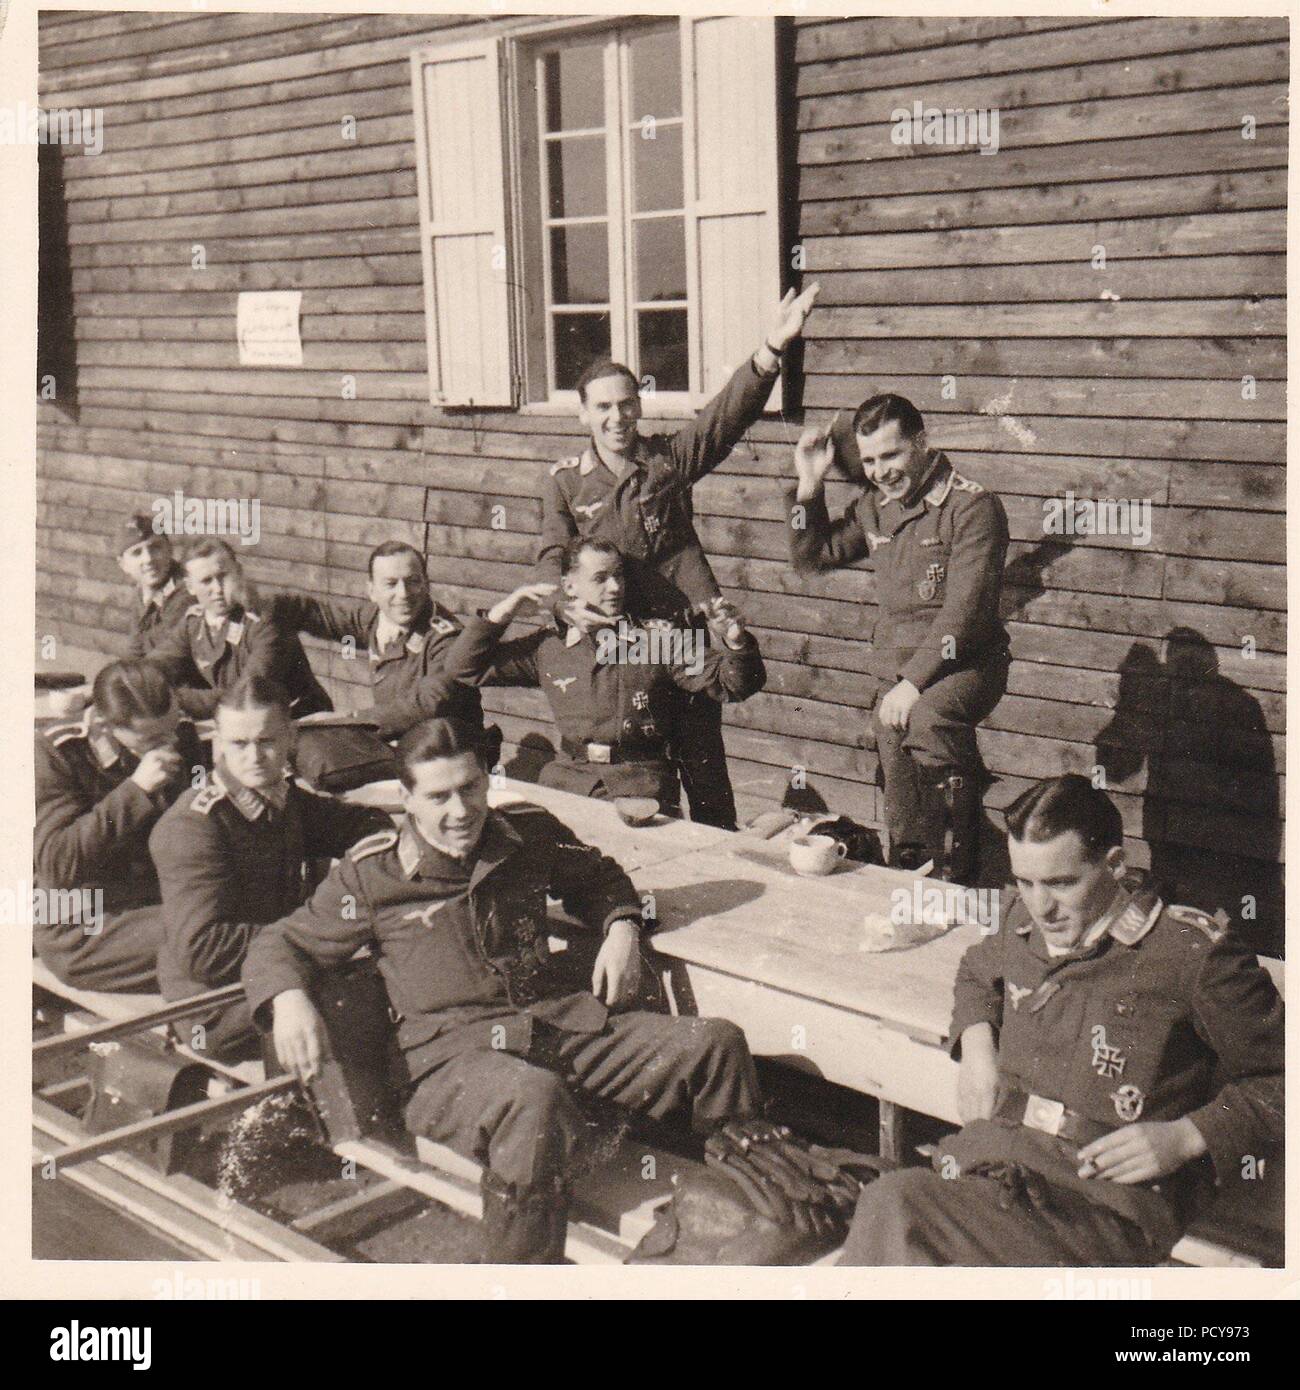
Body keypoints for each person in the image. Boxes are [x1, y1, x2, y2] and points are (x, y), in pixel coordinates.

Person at [242, 716, 763, 1262]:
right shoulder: (373, 875)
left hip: (556, 1028)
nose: (459, 811)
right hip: (448, 1065)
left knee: (715, 1043)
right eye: (438, 796)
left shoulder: (526, 835)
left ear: (487, 780)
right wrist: (288, 999)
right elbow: (279, 945)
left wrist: (622, 926)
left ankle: (754, 1218)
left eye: (470, 788)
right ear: (407, 798)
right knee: (532, 1101)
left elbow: (600, 877)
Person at [839, 774, 1284, 1266]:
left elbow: (1282, 1077)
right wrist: (978, 1044)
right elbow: (978, 969)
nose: (1041, 904)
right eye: (1024, 881)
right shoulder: (1021, 920)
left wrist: (1186, 1136)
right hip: (997, 1165)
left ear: (1113, 864)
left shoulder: (1189, 954)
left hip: (1099, 1204)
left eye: (1060, 883)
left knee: (896, 1207)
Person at [538, 285, 820, 828]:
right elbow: (552, 557)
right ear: (583, 415)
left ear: (639, 405)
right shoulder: (564, 483)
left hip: (678, 634)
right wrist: (562, 604)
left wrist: (771, 350)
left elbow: (724, 419)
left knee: (704, 770)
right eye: (603, 407)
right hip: (614, 642)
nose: (617, 417)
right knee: (627, 766)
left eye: (626, 404)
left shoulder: (667, 461)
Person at [788, 393, 1009, 880]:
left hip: (964, 663)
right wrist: (809, 484)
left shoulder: (972, 506)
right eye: (869, 460)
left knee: (927, 722)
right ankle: (911, 873)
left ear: (922, 444)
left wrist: (912, 684)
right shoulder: (876, 508)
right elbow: (811, 557)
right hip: (898, 674)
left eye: (891, 455)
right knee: (900, 791)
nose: (880, 471)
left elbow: (964, 615)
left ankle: (963, 873)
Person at [148, 676, 389, 1055]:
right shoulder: (196, 825)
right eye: (238, 744)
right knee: (362, 1001)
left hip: (280, 968)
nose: (254, 758)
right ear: (218, 744)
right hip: (215, 1003)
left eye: (267, 741)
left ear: (291, 737)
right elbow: (203, 951)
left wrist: (367, 876)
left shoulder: (278, 796)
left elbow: (365, 824)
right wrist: (310, 937)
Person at [445, 539, 765, 810]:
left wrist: (735, 641)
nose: (615, 588)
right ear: (569, 585)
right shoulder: (550, 645)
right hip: (567, 779)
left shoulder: (654, 640)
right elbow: (464, 668)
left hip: (639, 787)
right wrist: (503, 612)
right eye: (600, 578)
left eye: (619, 576)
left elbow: (732, 684)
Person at [34, 660, 206, 992]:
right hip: (84, 921)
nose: (171, 743)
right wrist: (136, 791)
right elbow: (57, 864)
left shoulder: (177, 732)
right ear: (102, 723)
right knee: (215, 942)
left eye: (172, 726)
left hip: (161, 902)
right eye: (154, 738)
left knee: (236, 933)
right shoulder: (57, 752)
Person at [268, 540, 485, 740]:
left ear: (426, 585)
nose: (403, 594)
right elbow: (319, 616)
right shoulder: (375, 618)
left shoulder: (447, 638)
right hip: (404, 745)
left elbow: (430, 704)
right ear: (372, 591)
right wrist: (260, 604)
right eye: (391, 584)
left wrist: (349, 719)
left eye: (413, 582)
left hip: (450, 754)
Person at [145, 538, 332, 720]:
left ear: (239, 572)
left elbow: (246, 693)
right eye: (206, 581)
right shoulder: (193, 623)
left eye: (223, 576)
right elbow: (154, 665)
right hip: (245, 725)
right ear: (190, 587)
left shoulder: (263, 619)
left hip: (299, 722)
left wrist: (173, 700)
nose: (217, 588)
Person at [116, 512, 191, 659]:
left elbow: (165, 657)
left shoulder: (186, 590)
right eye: (137, 553)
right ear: (123, 564)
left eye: (155, 547)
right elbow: (135, 651)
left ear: (169, 550)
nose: (148, 559)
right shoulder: (144, 591)